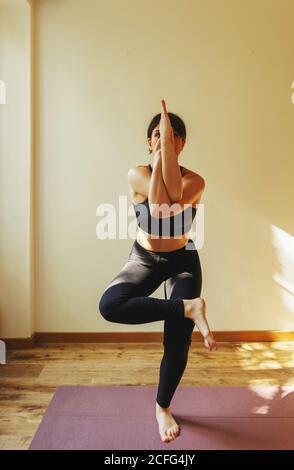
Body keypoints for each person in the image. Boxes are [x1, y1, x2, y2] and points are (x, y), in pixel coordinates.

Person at [99, 99, 217, 443]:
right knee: (110, 306)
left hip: (182, 260)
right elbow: (155, 207)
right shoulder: (137, 174)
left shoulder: (194, 181)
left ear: (182, 144)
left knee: (177, 342)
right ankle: (188, 308)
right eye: (159, 135)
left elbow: (168, 206)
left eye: (173, 136)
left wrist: (166, 149)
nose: (166, 139)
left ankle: (162, 407)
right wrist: (160, 153)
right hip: (145, 258)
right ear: (149, 142)